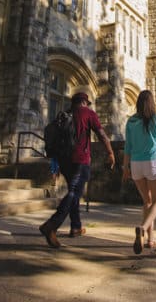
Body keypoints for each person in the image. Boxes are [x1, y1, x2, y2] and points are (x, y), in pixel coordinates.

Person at [39, 92, 115, 248]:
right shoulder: (88, 113)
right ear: (85, 102)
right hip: (80, 159)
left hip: (64, 161)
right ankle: (52, 225)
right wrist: (110, 153)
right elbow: (101, 134)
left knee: (73, 192)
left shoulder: (66, 114)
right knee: (74, 192)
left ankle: (76, 227)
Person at [122, 90, 156, 254]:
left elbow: (127, 147)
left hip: (136, 164)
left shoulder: (131, 121)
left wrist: (125, 168)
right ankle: (143, 228)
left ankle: (150, 239)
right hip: (153, 162)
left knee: (147, 201)